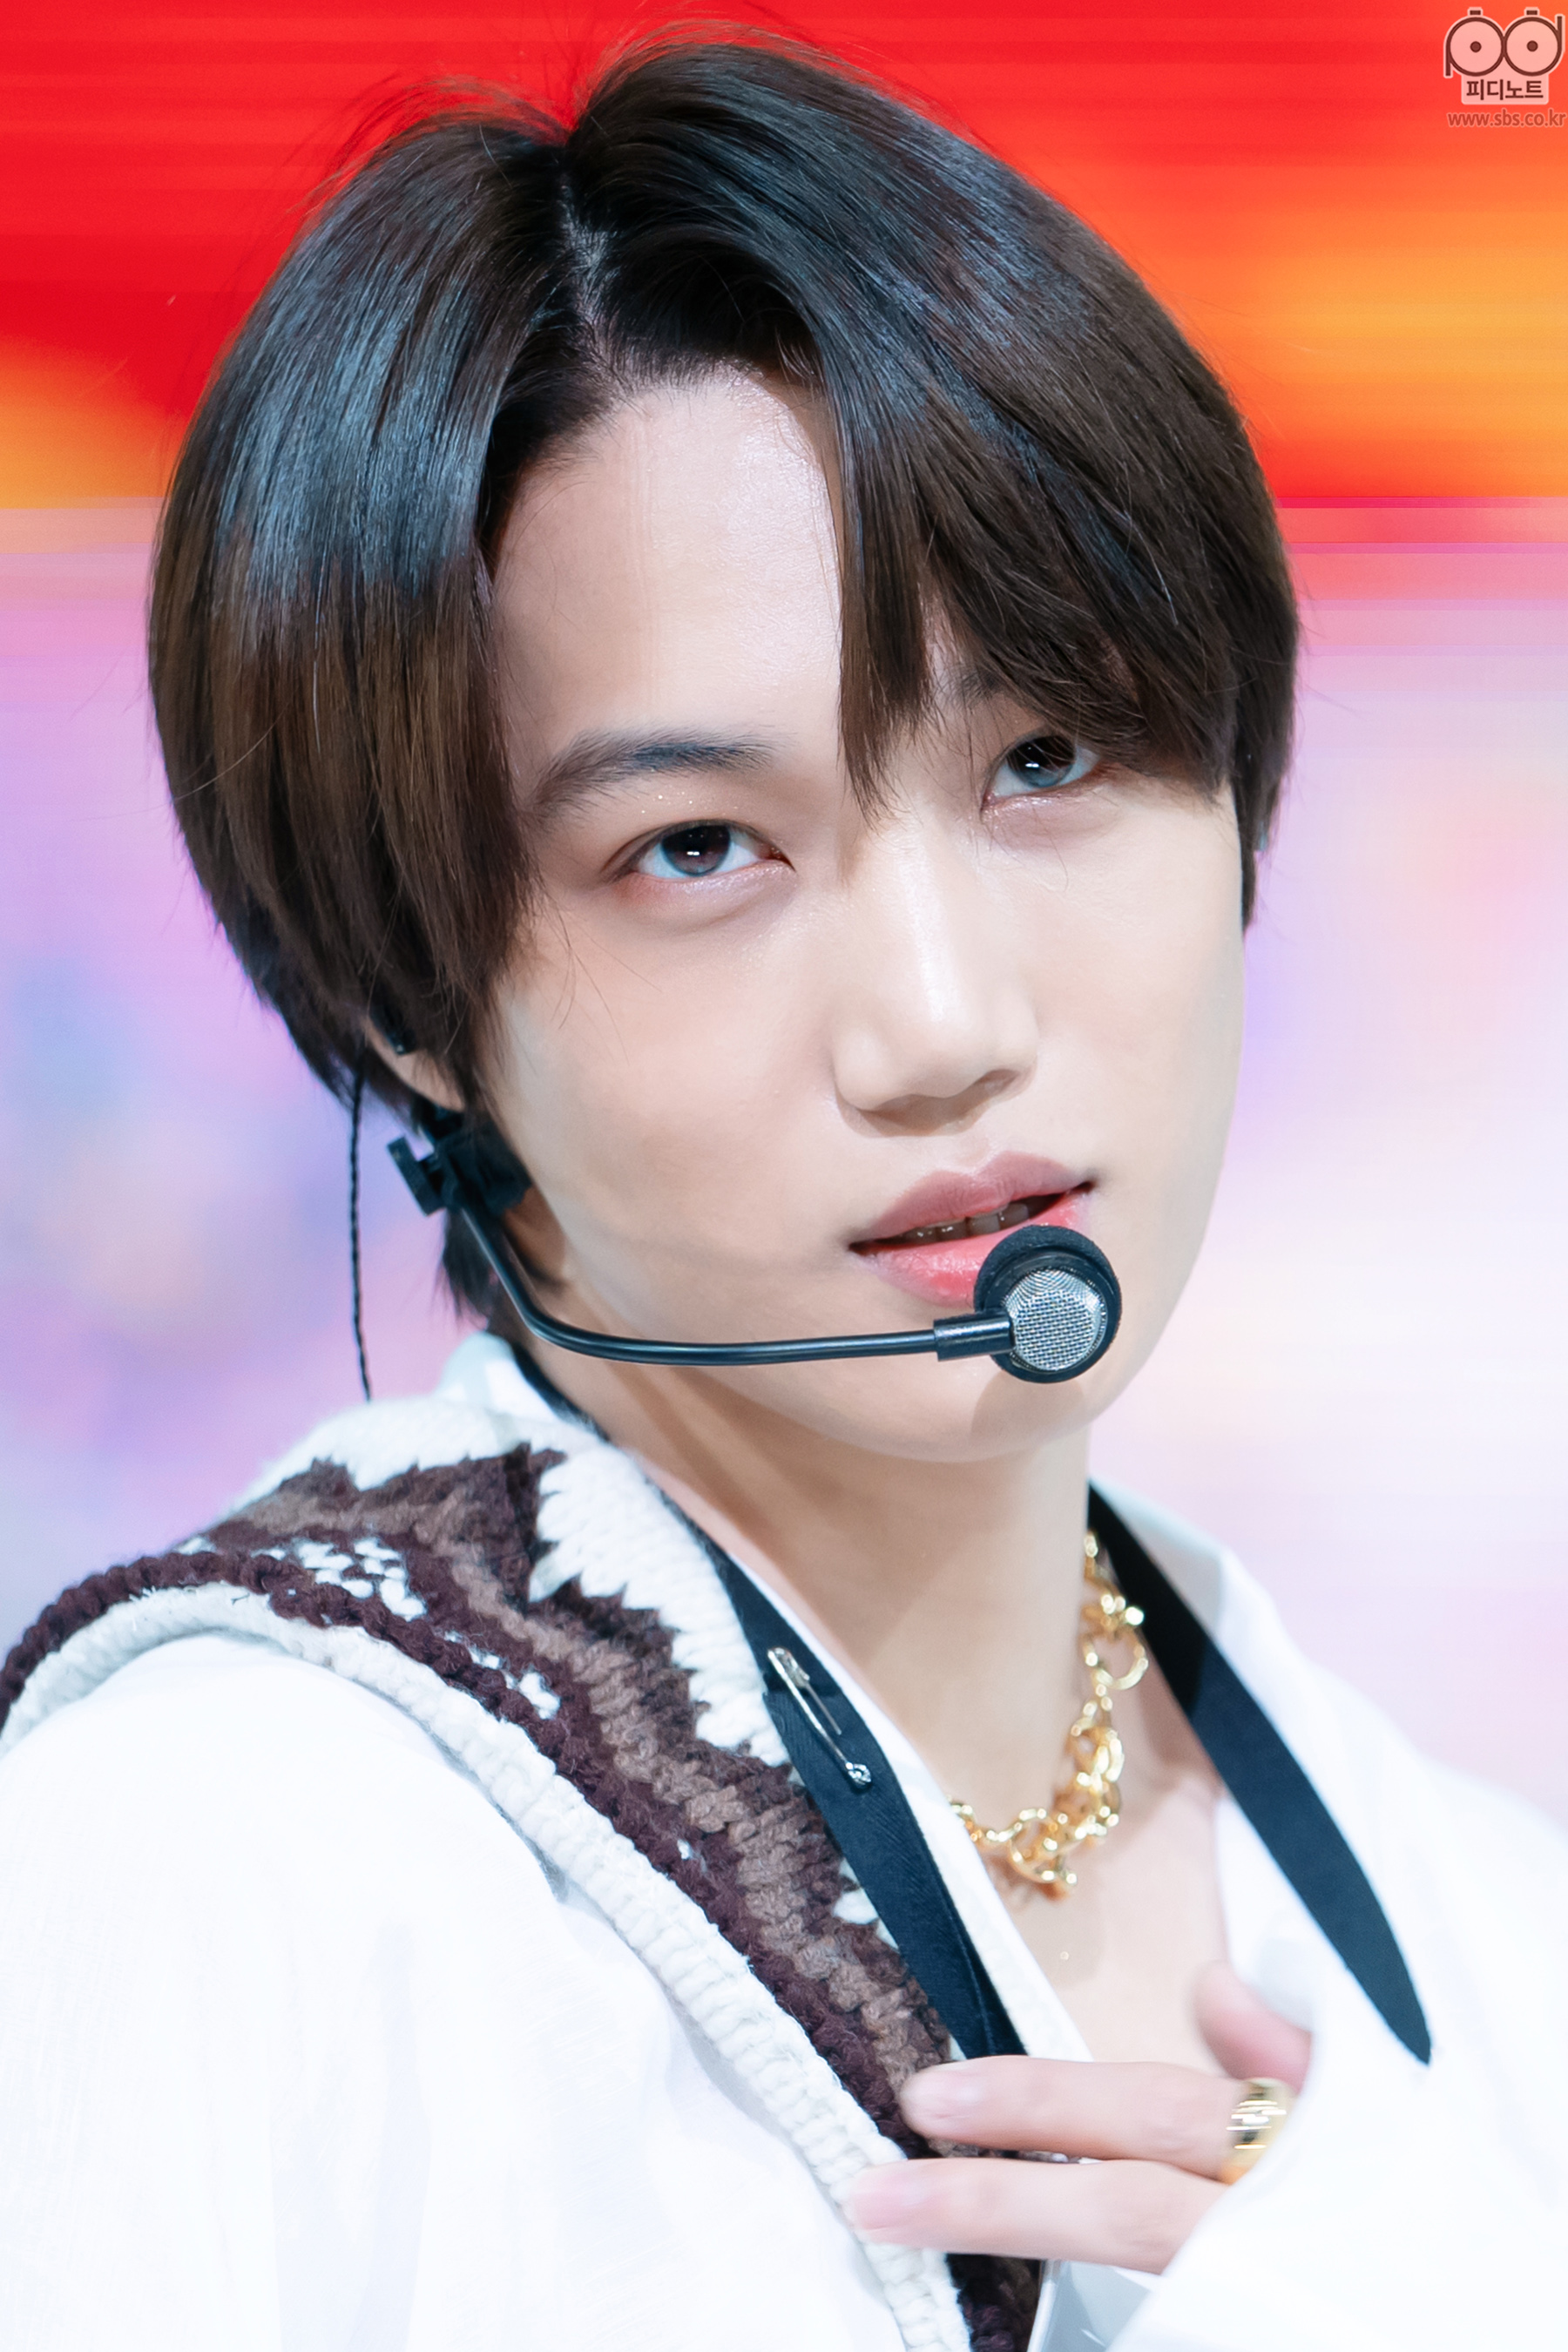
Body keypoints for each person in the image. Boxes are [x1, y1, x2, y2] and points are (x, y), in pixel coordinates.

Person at [0, 37, 1563, 2352]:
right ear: (411, 988)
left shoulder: (1499, 1925)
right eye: (699, 848)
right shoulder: (217, 1856)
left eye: (1048, 757)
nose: (940, 1021)